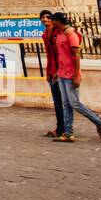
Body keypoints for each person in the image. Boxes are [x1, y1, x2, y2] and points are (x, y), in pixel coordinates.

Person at [49, 12, 101, 143]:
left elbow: (76, 55)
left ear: (58, 21)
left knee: (74, 103)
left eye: (53, 20)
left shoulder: (71, 34)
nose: (51, 22)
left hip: (71, 74)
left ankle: (100, 122)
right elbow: (62, 55)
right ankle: (68, 133)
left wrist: (77, 74)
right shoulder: (59, 34)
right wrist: (58, 71)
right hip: (62, 73)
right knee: (66, 104)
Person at [40, 10, 66, 139]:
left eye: (47, 17)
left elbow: (62, 54)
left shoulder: (59, 33)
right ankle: (61, 128)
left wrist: (58, 70)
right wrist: (48, 72)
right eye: (42, 17)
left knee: (70, 102)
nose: (45, 19)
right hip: (52, 72)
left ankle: (97, 120)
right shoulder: (45, 35)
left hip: (61, 71)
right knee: (58, 102)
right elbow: (49, 56)